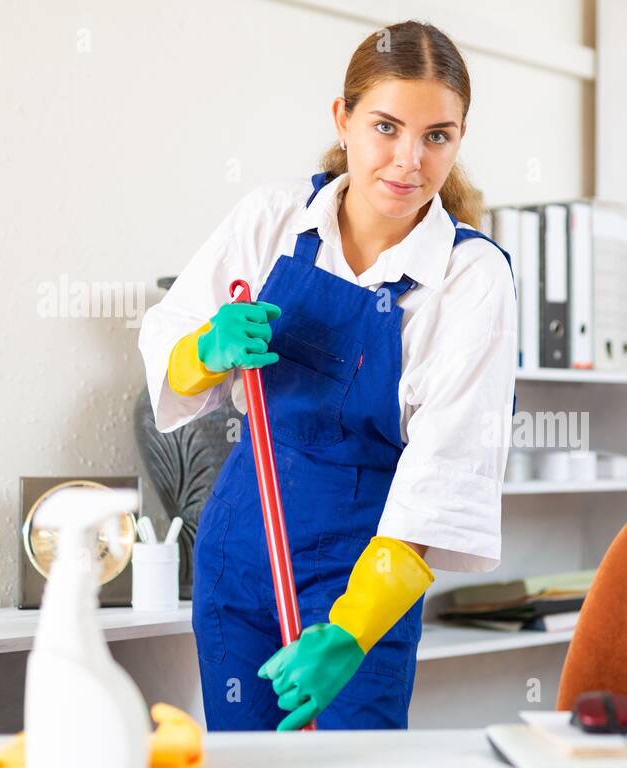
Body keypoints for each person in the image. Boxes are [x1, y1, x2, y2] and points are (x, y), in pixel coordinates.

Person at [137, 20, 517, 731]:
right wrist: (204, 351)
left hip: (363, 567)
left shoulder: (470, 277)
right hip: (238, 547)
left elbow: (448, 466)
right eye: (386, 126)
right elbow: (168, 336)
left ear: (460, 139)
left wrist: (352, 631)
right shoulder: (272, 219)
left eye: (438, 135)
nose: (409, 160)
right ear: (343, 120)